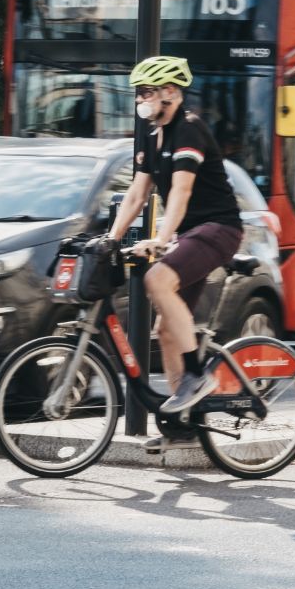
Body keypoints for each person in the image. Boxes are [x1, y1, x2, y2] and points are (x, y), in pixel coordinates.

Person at [105, 55, 245, 414]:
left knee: (157, 279)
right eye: (138, 94)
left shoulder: (190, 129)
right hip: (192, 235)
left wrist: (162, 238)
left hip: (219, 229)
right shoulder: (154, 139)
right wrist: (110, 238)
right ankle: (183, 419)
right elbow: (137, 195)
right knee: (165, 331)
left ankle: (196, 376)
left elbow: (181, 193)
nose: (140, 101)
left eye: (146, 93)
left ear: (171, 92)